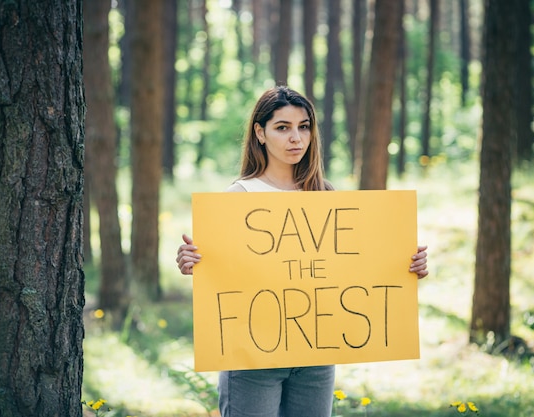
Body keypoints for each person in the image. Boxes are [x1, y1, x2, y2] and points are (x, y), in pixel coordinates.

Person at [176, 85, 429, 417]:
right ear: (260, 133)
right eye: (283, 127)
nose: (295, 137)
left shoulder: (326, 195)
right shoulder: (238, 197)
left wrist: (405, 265)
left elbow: (350, 271)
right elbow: (221, 272)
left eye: (303, 126)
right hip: (253, 360)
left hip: (316, 359)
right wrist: (191, 261)